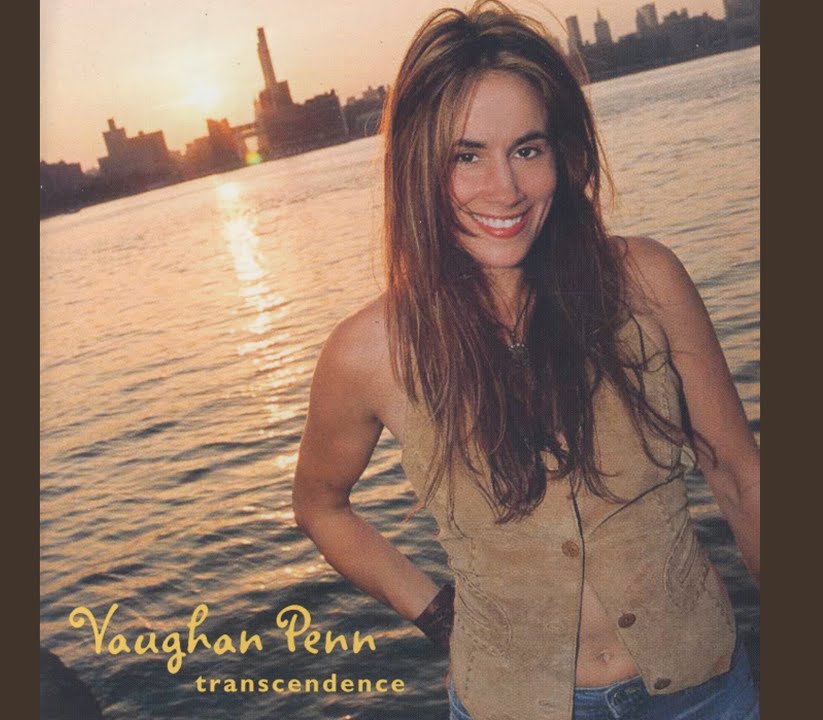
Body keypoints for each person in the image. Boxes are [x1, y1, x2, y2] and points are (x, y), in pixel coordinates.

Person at [292, 2, 760, 718]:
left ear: (562, 155)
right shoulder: (370, 351)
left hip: (707, 692)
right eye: (466, 156)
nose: (504, 189)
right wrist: (437, 613)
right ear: (419, 167)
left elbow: (740, 476)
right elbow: (320, 504)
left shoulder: (646, 282)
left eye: (527, 150)